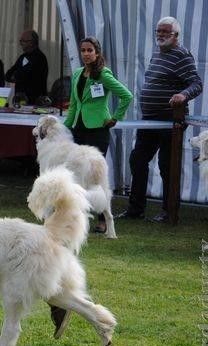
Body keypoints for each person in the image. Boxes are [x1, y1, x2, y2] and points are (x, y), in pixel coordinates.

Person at [117, 16, 202, 223]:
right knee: (137, 160)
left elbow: (197, 84)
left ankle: (169, 211)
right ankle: (135, 209)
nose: (161, 35)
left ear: (176, 36)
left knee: (167, 166)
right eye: (158, 31)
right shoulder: (157, 54)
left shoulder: (182, 55)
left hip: (170, 121)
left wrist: (183, 95)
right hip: (149, 120)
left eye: (166, 32)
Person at [64, 37, 133, 233]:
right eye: (83, 50)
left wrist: (115, 118)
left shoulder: (103, 74)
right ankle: (77, 218)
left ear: (97, 52)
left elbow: (127, 95)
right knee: (77, 175)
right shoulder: (77, 73)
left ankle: (103, 220)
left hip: (97, 130)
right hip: (79, 129)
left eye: (89, 50)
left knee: (96, 177)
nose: (86, 54)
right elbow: (74, 105)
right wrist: (65, 128)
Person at [5, 30, 48, 105]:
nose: (21, 43)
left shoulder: (39, 57)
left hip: (34, 100)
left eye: (23, 41)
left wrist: (16, 76)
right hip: (20, 99)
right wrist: (14, 76)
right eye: (20, 41)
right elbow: (8, 74)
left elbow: (25, 74)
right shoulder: (23, 57)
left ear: (31, 42)